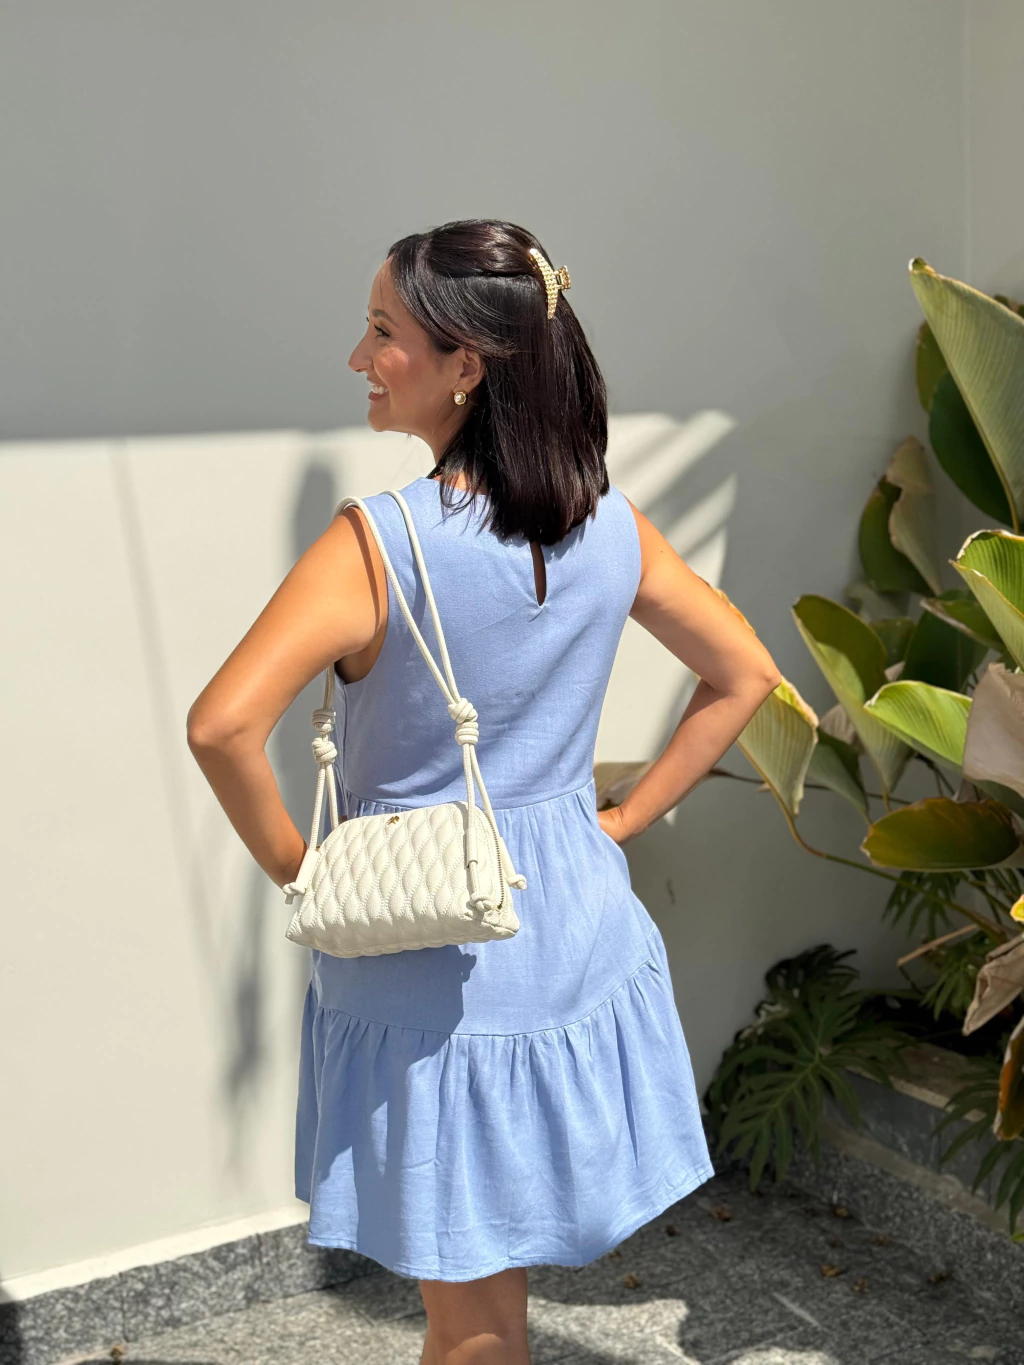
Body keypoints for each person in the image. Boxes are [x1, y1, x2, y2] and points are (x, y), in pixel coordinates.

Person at [187, 219, 782, 1365]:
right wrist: (620, 820)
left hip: (429, 958)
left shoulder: (382, 543)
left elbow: (221, 726)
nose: (357, 358)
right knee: (487, 1301)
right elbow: (743, 674)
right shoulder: (611, 526)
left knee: (469, 1322)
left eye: (382, 332)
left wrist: (304, 875)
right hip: (568, 929)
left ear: (466, 363)